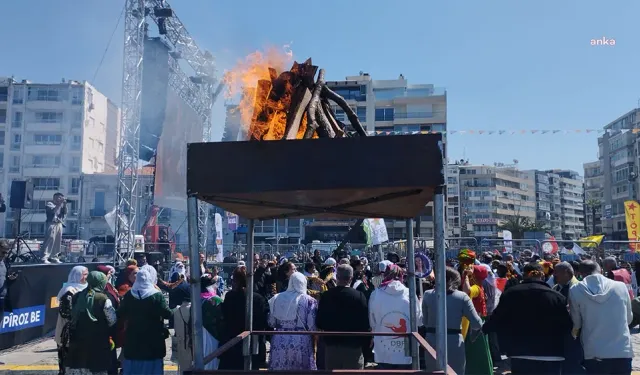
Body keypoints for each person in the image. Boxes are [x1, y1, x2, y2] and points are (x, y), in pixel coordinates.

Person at [483, 263, 572, 375]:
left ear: (524, 275)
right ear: (542, 276)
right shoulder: (557, 297)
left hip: (519, 352)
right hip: (552, 353)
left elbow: (496, 319)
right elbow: (567, 325)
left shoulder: (510, 294)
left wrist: (483, 329)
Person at [569, 260, 633, 374]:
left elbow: (577, 323)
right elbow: (629, 319)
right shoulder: (621, 286)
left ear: (580, 273)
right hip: (622, 350)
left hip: (593, 351)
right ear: (601, 270)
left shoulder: (575, 290)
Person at [423, 267, 483, 375]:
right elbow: (477, 324)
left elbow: (425, 321)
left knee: (433, 372)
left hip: (431, 340)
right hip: (454, 341)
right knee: (455, 372)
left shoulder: (427, 295)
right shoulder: (462, 297)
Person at [119, 265, 173, 375]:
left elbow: (120, 313)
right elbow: (167, 314)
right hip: (153, 339)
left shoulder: (130, 294)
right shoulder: (156, 295)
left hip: (133, 339)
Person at [316, 264, 370, 370]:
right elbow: (365, 323)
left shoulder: (326, 295)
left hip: (332, 346)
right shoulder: (359, 296)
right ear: (351, 278)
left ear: (337, 277)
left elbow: (319, 322)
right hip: (353, 346)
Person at [368, 264, 422, 370]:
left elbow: (372, 322)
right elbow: (418, 320)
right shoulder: (410, 294)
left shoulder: (375, 294)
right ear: (401, 276)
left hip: (383, 347)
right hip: (406, 347)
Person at [65, 271, 117, 375]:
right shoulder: (103, 298)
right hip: (97, 342)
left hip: (77, 341)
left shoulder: (76, 296)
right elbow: (112, 320)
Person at [219, 266, 270, 370]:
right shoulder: (258, 298)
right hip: (252, 342)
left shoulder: (230, 297)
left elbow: (224, 316)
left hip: (232, 341)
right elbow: (264, 321)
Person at [267, 272, 317, 370]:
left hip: (279, 339)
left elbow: (271, 322)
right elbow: (312, 326)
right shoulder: (309, 300)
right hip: (301, 340)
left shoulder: (277, 298)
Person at [55, 266, 88, 375]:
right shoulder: (69, 291)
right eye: (84, 274)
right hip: (68, 333)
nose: (86, 277)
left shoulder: (86, 287)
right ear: (77, 276)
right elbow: (66, 313)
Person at [42, 192, 67, 264]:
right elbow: (53, 211)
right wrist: (59, 204)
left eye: (60, 198)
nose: (59, 199)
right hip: (51, 223)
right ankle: (45, 257)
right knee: (50, 239)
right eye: (58, 197)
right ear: (54, 198)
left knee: (57, 241)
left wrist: (64, 204)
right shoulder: (49, 204)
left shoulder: (61, 205)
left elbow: (64, 213)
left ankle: (54, 257)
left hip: (59, 224)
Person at [0, 239, 18, 313]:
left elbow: (4, 280)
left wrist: (11, 278)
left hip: (2, 300)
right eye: (3, 252)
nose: (5, 255)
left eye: (6, 253)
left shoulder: (5, 263)